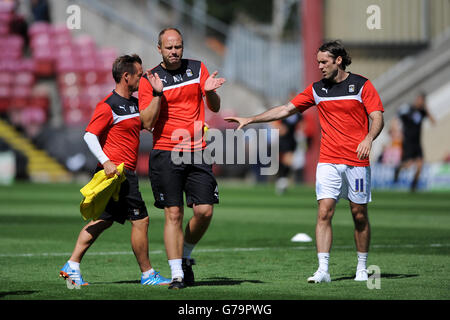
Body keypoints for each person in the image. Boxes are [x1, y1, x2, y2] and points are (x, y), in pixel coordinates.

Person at [225, 40, 384, 283]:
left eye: (324, 62)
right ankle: (323, 270)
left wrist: (369, 138)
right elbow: (285, 110)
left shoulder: (362, 85)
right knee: (324, 213)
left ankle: (362, 267)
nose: (319, 66)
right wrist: (251, 119)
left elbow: (377, 118)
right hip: (329, 161)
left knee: (359, 214)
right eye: (317, 62)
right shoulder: (317, 89)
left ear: (338, 60)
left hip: (357, 161)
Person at [59, 54, 171, 287]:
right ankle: (148, 274)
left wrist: (158, 95)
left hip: (123, 174)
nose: (141, 79)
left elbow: (147, 124)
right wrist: (107, 161)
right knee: (141, 220)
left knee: (104, 220)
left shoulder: (132, 103)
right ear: (126, 76)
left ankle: (72, 265)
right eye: (139, 75)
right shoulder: (108, 104)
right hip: (118, 174)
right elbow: (89, 135)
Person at [138, 28, 225, 289]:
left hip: (198, 149)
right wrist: (157, 94)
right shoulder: (150, 79)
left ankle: (185, 255)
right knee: (173, 214)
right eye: (169, 47)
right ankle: (177, 274)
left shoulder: (198, 69)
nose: (174, 51)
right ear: (159, 49)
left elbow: (216, 107)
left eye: (178, 47)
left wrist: (209, 92)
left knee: (204, 210)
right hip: (166, 151)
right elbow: (147, 122)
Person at [393, 92, 435, 191]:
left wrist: (426, 109)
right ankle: (398, 168)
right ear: (417, 99)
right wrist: (396, 131)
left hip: (417, 142)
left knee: (420, 164)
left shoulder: (422, 112)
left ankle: (413, 186)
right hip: (408, 142)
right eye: (420, 99)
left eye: (423, 100)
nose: (420, 102)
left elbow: (433, 121)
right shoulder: (408, 109)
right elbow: (397, 117)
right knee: (409, 163)